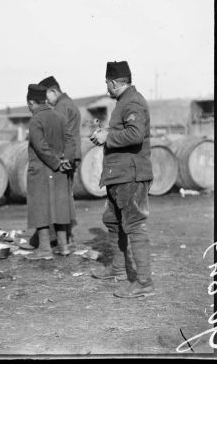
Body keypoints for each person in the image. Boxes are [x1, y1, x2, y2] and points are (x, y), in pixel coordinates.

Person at [90, 60, 154, 298]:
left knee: (135, 225)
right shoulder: (124, 102)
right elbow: (125, 132)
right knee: (113, 221)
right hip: (119, 175)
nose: (106, 86)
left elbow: (136, 135)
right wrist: (106, 134)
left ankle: (144, 283)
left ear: (115, 82)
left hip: (130, 176)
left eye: (107, 82)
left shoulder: (133, 101)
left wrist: (108, 136)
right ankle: (118, 269)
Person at [25, 84, 73, 259]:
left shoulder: (35, 120)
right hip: (60, 169)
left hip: (41, 170)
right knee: (60, 207)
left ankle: (45, 249)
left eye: (29, 105)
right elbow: (70, 140)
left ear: (31, 102)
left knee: (40, 209)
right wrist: (64, 161)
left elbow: (40, 147)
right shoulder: (59, 116)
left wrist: (55, 163)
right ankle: (63, 246)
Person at [39, 75, 81, 246]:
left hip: (64, 156)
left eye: (47, 96)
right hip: (71, 155)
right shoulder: (70, 103)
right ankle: (67, 236)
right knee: (66, 195)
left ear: (53, 91)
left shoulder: (61, 106)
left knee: (60, 197)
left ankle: (62, 238)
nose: (46, 101)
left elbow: (57, 134)